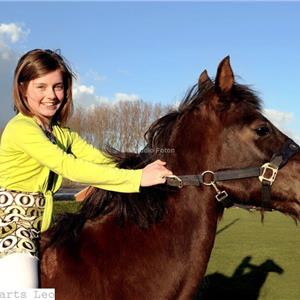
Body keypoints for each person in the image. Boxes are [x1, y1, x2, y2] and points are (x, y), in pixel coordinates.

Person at [0, 49, 173, 288]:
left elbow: (97, 158)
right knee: (24, 295)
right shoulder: (21, 129)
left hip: (43, 223)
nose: (51, 95)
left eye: (58, 87)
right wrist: (137, 179)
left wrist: (146, 163)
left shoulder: (60, 132)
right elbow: (69, 167)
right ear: (22, 88)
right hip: (11, 226)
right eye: (41, 87)